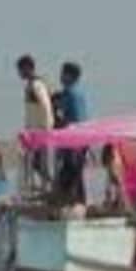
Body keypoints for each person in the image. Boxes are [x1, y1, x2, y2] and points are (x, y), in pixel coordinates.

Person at [52, 62, 89, 201]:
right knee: (75, 175)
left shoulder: (71, 93)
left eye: (63, 73)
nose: (60, 76)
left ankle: (73, 204)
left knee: (70, 174)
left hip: (74, 141)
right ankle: (78, 202)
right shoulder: (75, 93)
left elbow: (73, 121)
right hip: (79, 140)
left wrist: (58, 123)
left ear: (70, 76)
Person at [18, 54, 55, 187]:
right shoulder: (31, 85)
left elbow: (45, 106)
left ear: (28, 68)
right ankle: (42, 186)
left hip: (40, 130)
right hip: (34, 130)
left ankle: (48, 186)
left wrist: (46, 128)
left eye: (21, 70)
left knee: (40, 162)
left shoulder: (36, 85)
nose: (19, 73)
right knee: (35, 162)